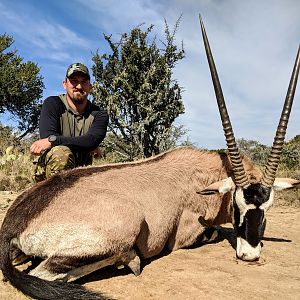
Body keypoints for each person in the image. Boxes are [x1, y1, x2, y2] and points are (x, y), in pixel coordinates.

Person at [30, 62, 109, 182]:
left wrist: (55, 140)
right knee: (61, 153)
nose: (79, 86)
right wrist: (85, 145)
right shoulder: (53, 104)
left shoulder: (99, 114)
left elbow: (92, 140)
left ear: (90, 87)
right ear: (65, 84)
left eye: (84, 82)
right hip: (50, 174)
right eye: (74, 81)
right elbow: (47, 137)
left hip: (82, 173)